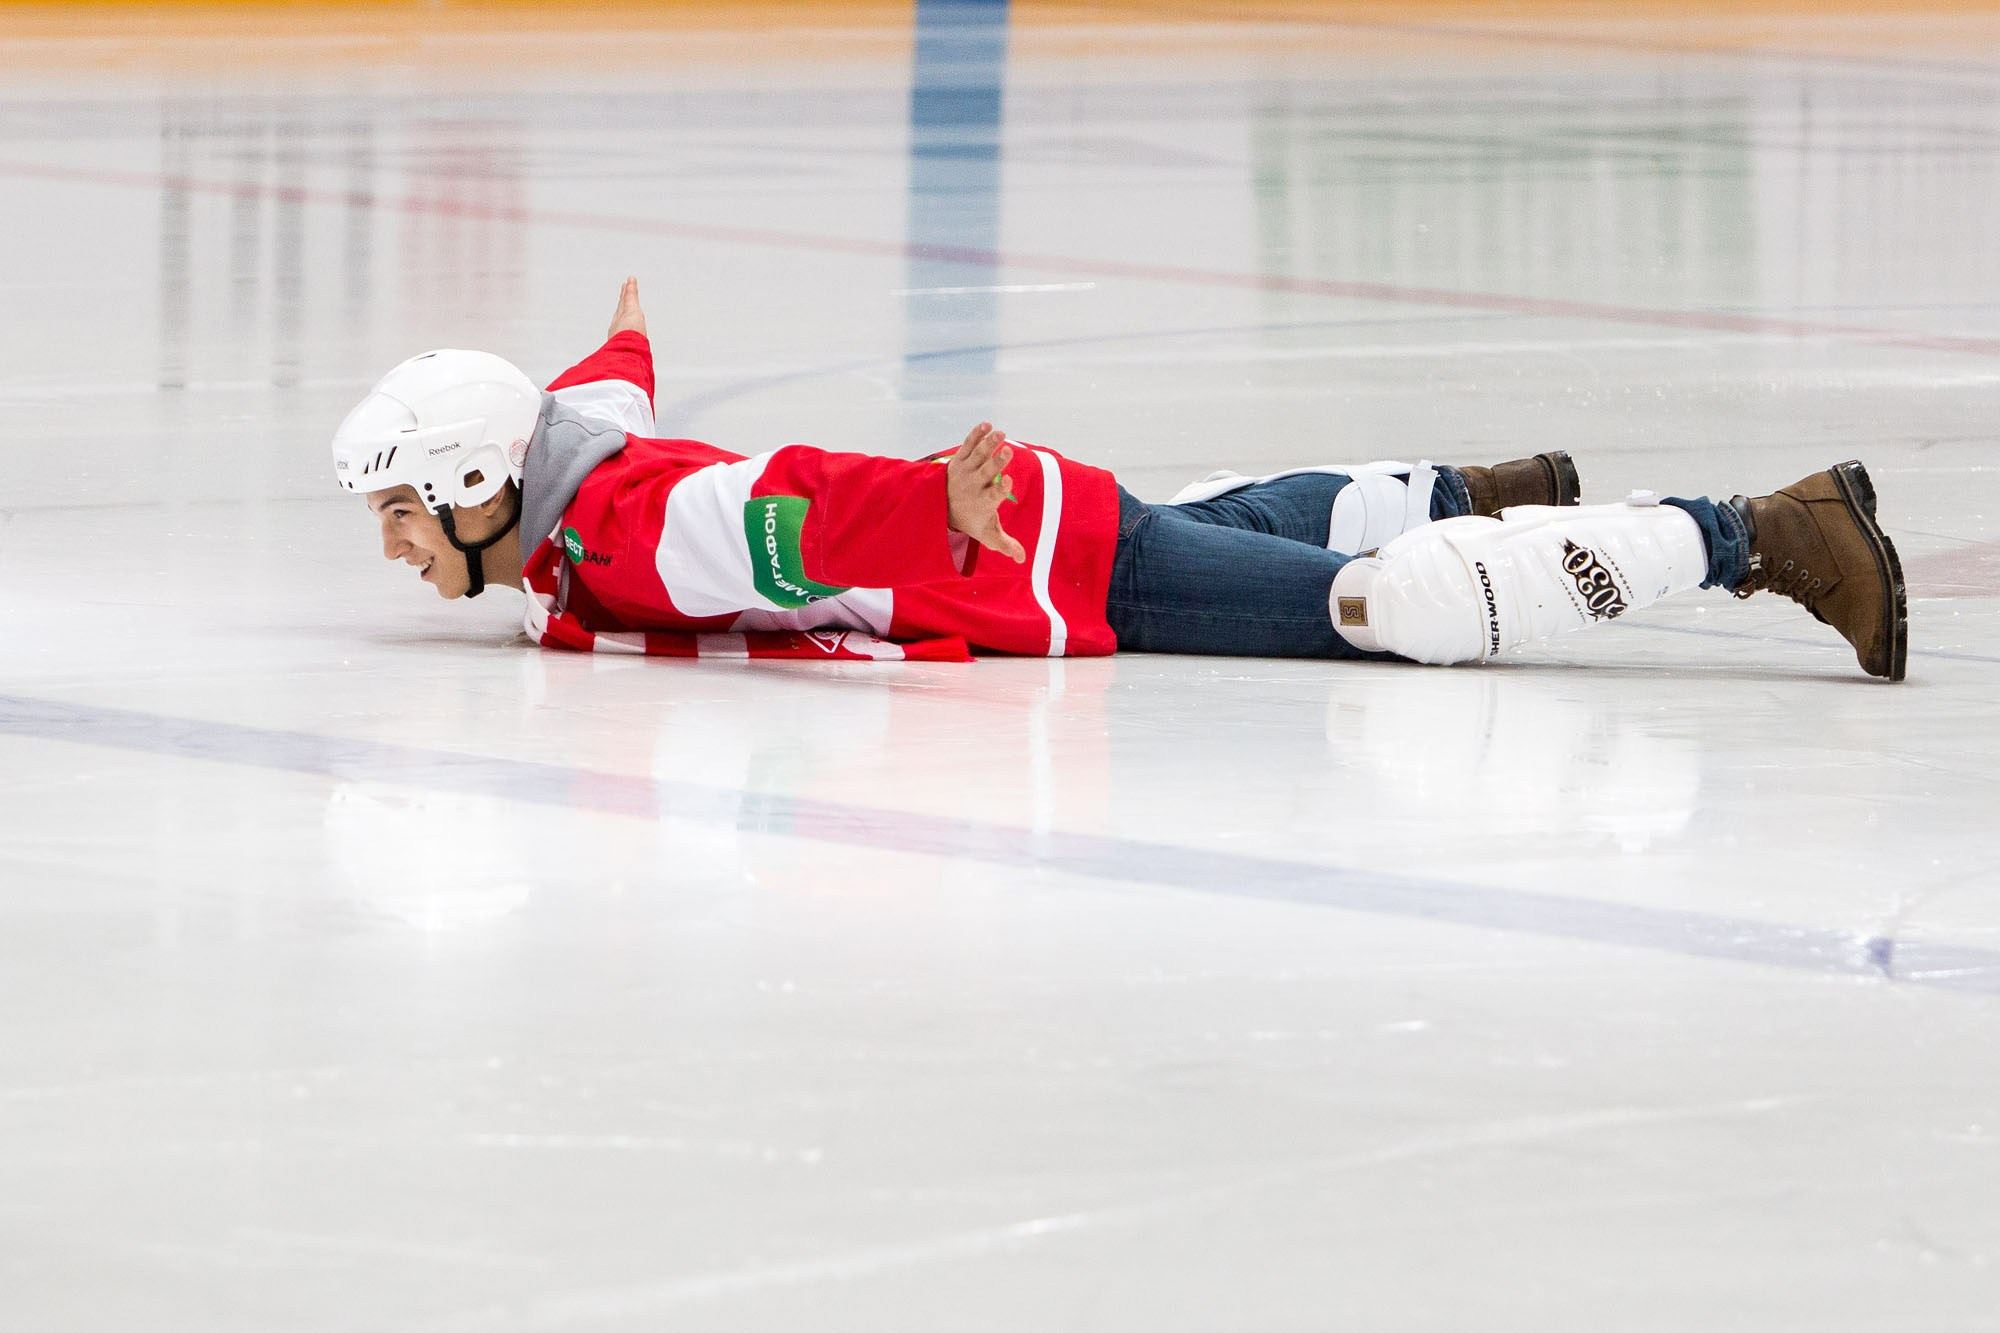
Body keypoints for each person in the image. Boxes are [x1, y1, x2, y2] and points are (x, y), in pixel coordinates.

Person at [331, 279, 1908, 680]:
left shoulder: (617, 534)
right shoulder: (572, 463)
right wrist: (624, 338)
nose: (398, 545)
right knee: (1217, 526)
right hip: (1051, 529)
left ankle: (1757, 532)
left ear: (483, 478)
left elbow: (774, 517)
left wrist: (921, 514)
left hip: (1031, 561)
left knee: (1376, 615)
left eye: (406, 510)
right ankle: (1465, 486)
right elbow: (601, 394)